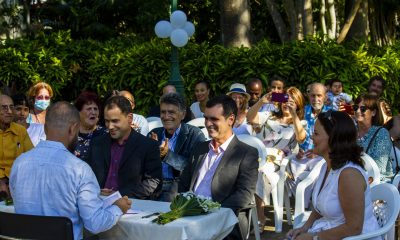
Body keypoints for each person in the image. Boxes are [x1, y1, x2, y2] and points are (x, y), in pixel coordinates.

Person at [9, 101, 132, 240]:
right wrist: (118, 208)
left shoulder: (19, 163)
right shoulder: (80, 170)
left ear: (44, 128)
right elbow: (95, 223)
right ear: (73, 129)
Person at [286, 110, 380, 240]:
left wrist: (314, 238)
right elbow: (320, 207)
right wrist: (304, 228)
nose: (311, 137)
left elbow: (354, 228)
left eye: (316, 133)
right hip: (332, 230)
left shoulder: (349, 175)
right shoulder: (327, 166)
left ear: (333, 138)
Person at [179, 95, 258, 240]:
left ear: (230, 119)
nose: (208, 123)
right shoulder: (200, 148)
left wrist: (210, 213)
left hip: (223, 221)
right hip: (188, 217)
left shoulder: (247, 153)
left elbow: (244, 194)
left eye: (214, 119)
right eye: (206, 118)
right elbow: (183, 183)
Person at [247, 86, 306, 230]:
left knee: (260, 171)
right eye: (285, 99)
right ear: (280, 101)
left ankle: (260, 216)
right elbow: (249, 118)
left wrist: (294, 115)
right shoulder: (269, 114)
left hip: (279, 160)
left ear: (298, 104)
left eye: (293, 101)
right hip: (258, 154)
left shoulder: (299, 122)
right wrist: (261, 101)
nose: (288, 103)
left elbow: (301, 138)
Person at [86, 96, 162, 199]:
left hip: (132, 206)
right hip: (97, 202)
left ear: (129, 118)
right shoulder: (97, 143)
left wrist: (119, 195)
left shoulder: (148, 146)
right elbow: (86, 175)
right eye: (107, 121)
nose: (110, 126)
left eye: (115, 121)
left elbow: (153, 181)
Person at [149, 93, 205, 201]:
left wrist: (167, 155)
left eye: (171, 112)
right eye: (163, 112)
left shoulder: (195, 135)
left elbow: (194, 169)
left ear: (183, 114)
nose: (166, 117)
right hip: (153, 185)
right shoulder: (154, 134)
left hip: (178, 188)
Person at [0, 94, 34, 200]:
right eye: (4, 108)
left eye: (11, 107)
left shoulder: (20, 131)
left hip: (18, 181)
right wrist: (1, 181)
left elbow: (31, 157)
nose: (9, 112)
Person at [354, 94, 393, 181]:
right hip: (352, 177)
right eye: (355, 107)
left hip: (378, 183)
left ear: (373, 112)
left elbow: (379, 168)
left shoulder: (381, 133)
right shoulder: (350, 131)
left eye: (363, 109)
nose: (358, 111)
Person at [74, 91, 108, 161]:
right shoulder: (71, 134)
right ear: (78, 112)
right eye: (89, 109)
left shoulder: (106, 133)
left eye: (95, 109)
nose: (93, 112)